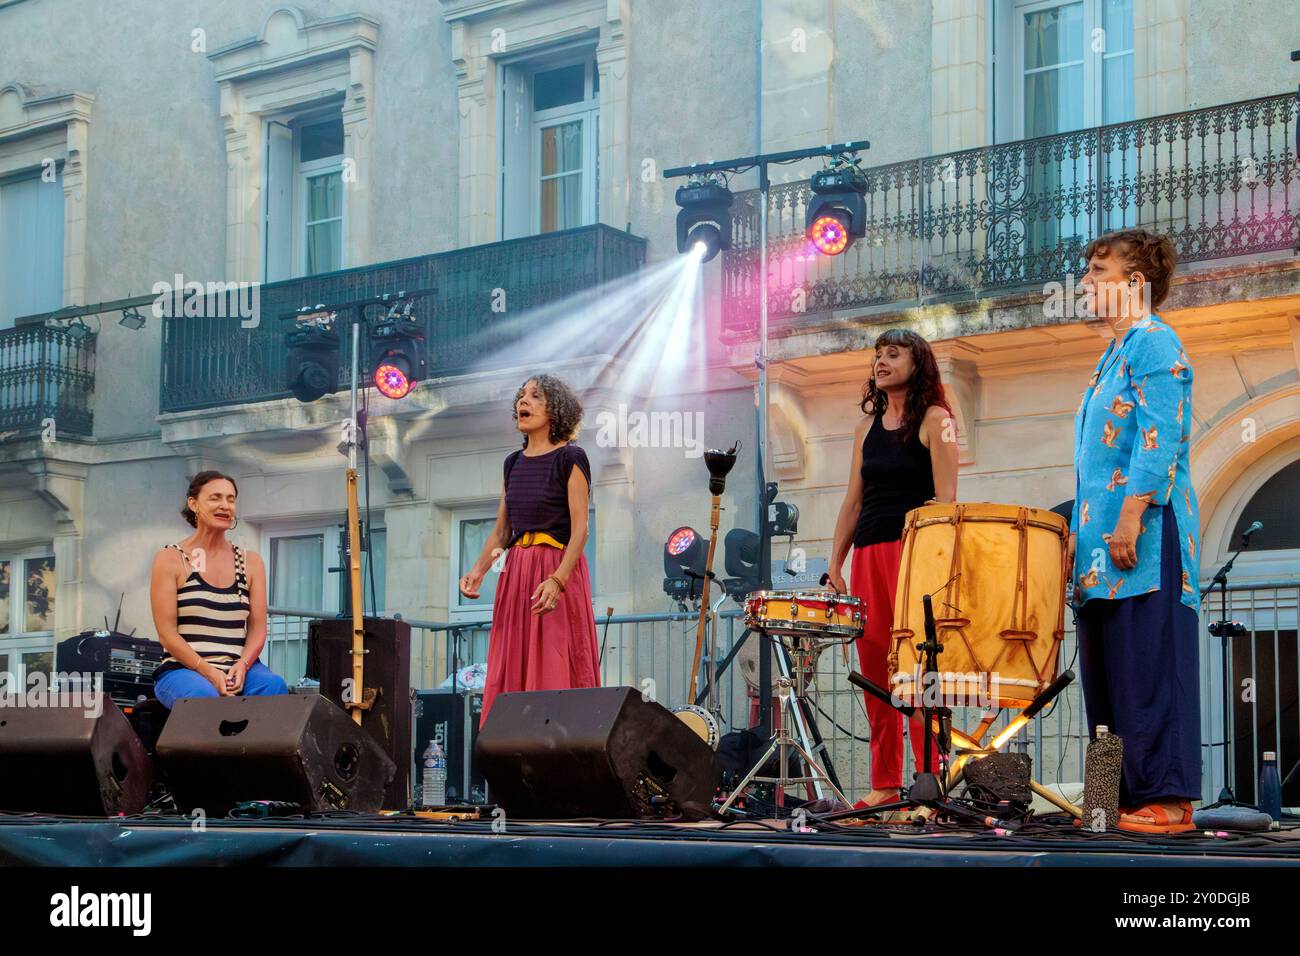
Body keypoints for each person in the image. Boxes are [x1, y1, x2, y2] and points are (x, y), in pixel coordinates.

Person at [1069, 227, 1201, 833]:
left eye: (1099, 271)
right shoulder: (1112, 356)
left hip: (1146, 535)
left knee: (1148, 666)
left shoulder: (1154, 340)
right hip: (1101, 547)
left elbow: (1161, 433)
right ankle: (1107, 803)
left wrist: (1130, 514)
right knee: (1107, 674)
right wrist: (1079, 531)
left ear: (1135, 283)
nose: (1086, 283)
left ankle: (1168, 801)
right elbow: (1097, 459)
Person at [828, 329, 959, 808]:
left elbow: (946, 501)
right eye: (877, 354)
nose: (881, 361)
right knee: (877, 668)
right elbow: (852, 502)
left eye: (893, 353)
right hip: (868, 555)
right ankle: (884, 785)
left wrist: (931, 562)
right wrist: (835, 562)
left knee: (918, 670)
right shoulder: (865, 430)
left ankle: (928, 783)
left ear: (917, 362)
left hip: (914, 555)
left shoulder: (936, 419)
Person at [460, 374, 600, 725]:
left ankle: (559, 737)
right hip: (517, 572)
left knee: (554, 661)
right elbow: (502, 532)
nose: (524, 401)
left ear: (555, 410)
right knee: (513, 660)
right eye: (521, 396)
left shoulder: (571, 457)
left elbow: (580, 530)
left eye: (535, 396)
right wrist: (476, 572)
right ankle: (514, 735)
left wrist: (558, 580)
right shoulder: (512, 463)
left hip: (554, 568)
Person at [149, 471, 288, 708]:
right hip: (183, 669)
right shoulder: (170, 558)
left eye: (231, 499)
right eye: (215, 498)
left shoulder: (251, 562)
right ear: (194, 504)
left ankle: (256, 747)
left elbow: (257, 629)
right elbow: (167, 634)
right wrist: (209, 672)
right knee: (202, 696)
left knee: (273, 686)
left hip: (240, 666)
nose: (225, 505)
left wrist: (243, 665)